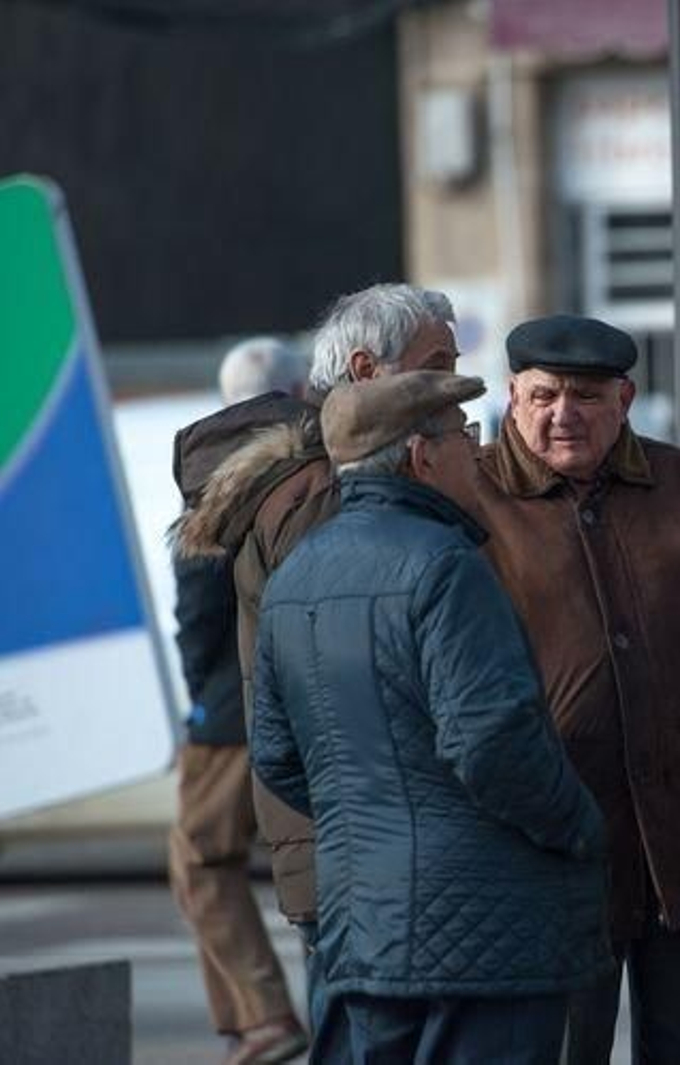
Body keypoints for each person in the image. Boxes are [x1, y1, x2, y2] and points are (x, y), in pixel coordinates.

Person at [251, 371, 610, 1062]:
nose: (475, 453)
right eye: (463, 436)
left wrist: (367, 818)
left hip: (362, 927)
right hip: (484, 938)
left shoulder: (295, 576)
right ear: (421, 455)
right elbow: (492, 741)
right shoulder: (446, 566)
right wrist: (578, 823)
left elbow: (275, 753)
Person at [473, 314, 680, 1065]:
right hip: (556, 845)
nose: (562, 414)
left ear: (626, 398)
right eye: (543, 395)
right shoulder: (474, 497)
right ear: (513, 395)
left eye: (584, 396)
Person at [176, 283, 461, 1035]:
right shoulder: (324, 493)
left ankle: (266, 1018)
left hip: (365, 840)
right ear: (368, 369)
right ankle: (264, 1017)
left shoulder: (329, 482)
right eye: (438, 363)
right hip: (372, 844)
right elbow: (355, 687)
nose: (457, 382)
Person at [166, 338, 310, 1065]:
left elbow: (197, 613)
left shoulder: (217, 474)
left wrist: (201, 702)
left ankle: (260, 1017)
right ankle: (249, 1022)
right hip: (298, 696)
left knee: (199, 862)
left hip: (231, 712)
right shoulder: (317, 460)